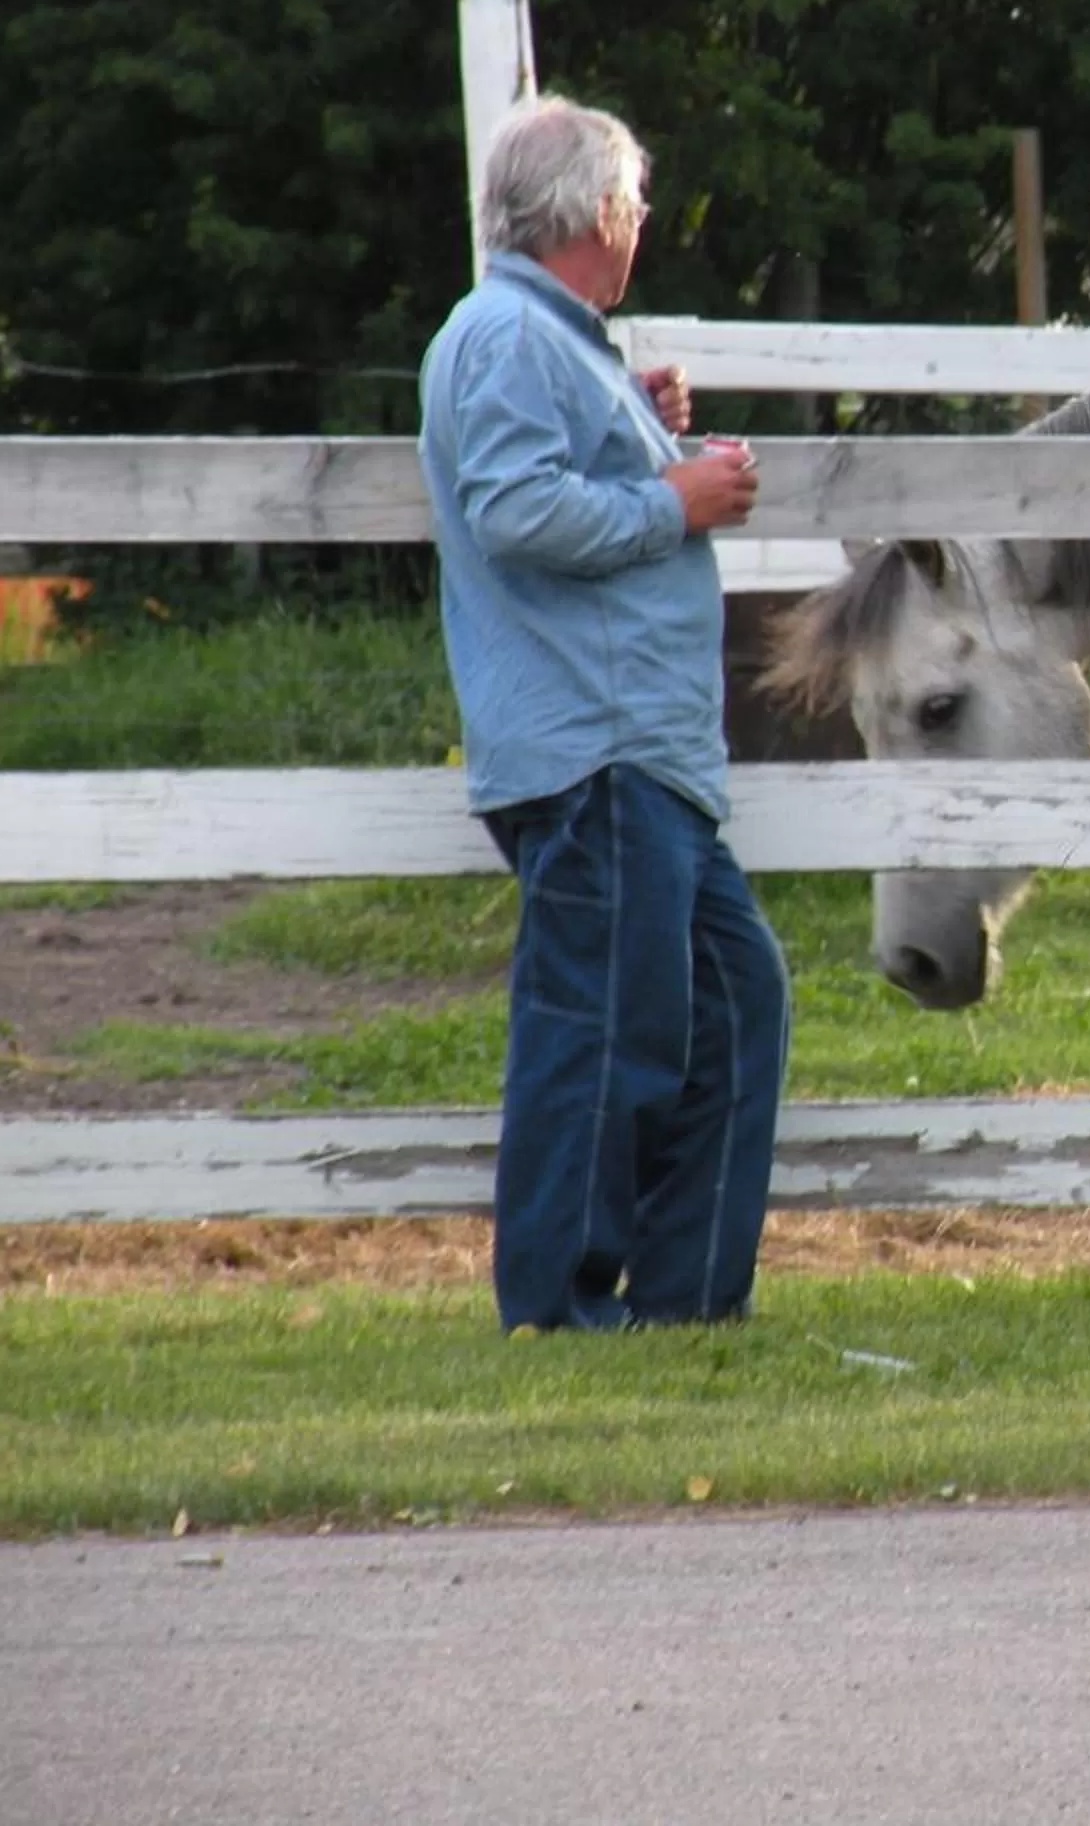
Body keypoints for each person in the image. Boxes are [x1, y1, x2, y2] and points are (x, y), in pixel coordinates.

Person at [417, 94, 787, 1332]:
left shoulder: (551, 342)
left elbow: (553, 471)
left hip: (641, 759)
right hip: (601, 752)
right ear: (589, 214)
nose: (641, 223)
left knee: (736, 1000)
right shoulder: (510, 339)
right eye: (633, 203)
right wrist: (673, 502)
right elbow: (517, 514)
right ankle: (562, 1312)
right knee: (601, 1039)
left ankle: (682, 1307)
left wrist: (642, 425)